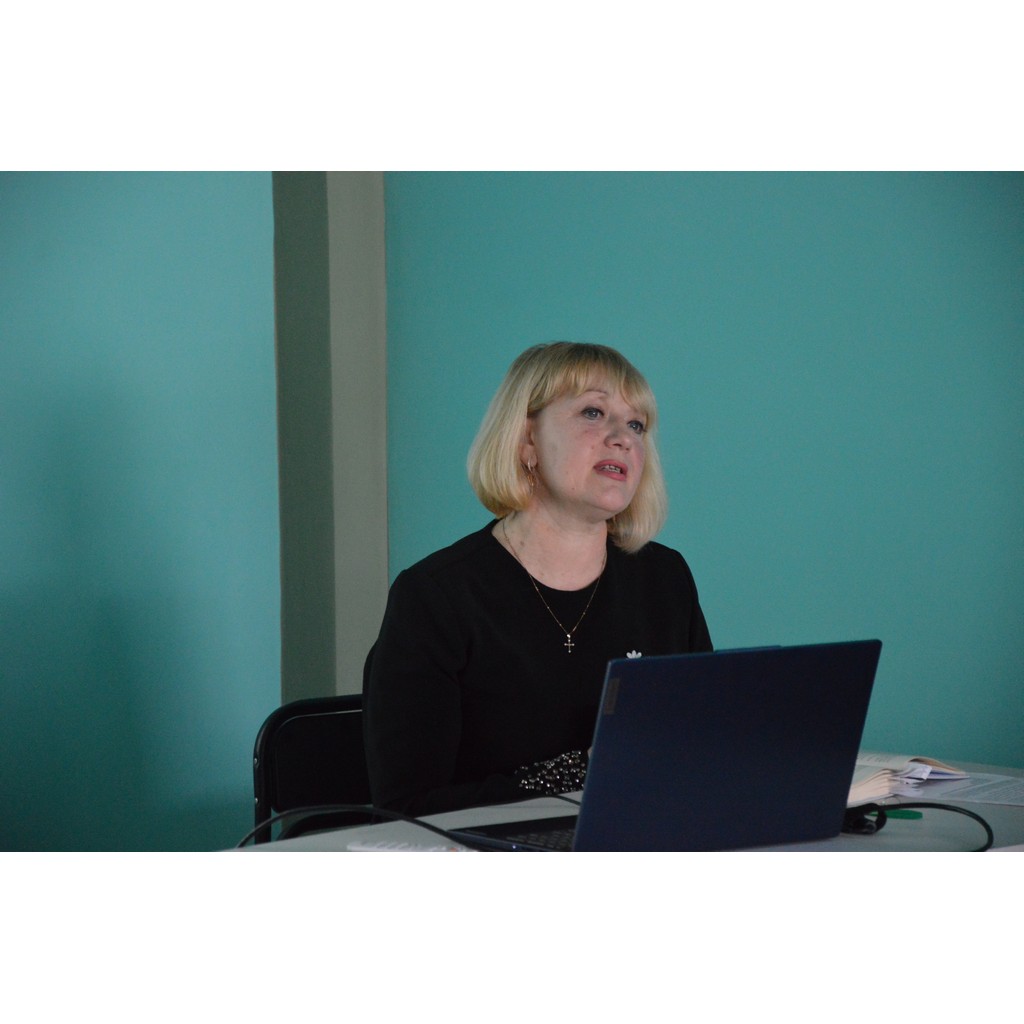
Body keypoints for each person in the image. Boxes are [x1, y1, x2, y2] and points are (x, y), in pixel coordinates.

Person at [363, 341, 712, 816]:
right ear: (527, 440)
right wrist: (583, 773)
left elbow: (701, 746)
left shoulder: (665, 578)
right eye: (593, 412)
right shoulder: (435, 596)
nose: (623, 439)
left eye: (636, 425)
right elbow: (408, 807)